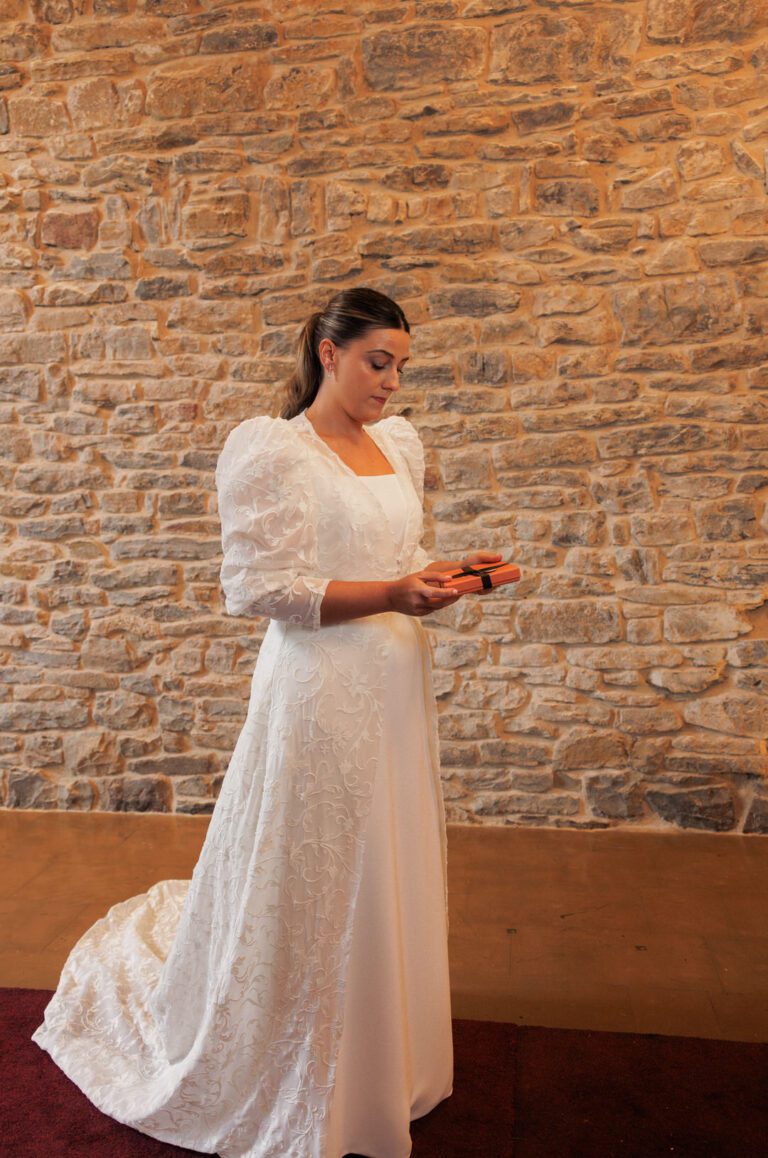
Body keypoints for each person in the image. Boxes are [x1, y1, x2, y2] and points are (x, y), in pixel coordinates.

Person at [30, 286, 503, 1158]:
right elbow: (260, 588)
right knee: (319, 864)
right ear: (329, 353)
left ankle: (380, 1059)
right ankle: (302, 1067)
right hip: (319, 690)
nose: (392, 382)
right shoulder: (273, 451)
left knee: (381, 861)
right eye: (378, 361)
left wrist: (441, 575)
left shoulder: (396, 446)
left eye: (401, 365)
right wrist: (396, 594)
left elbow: (393, 564)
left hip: (395, 688)